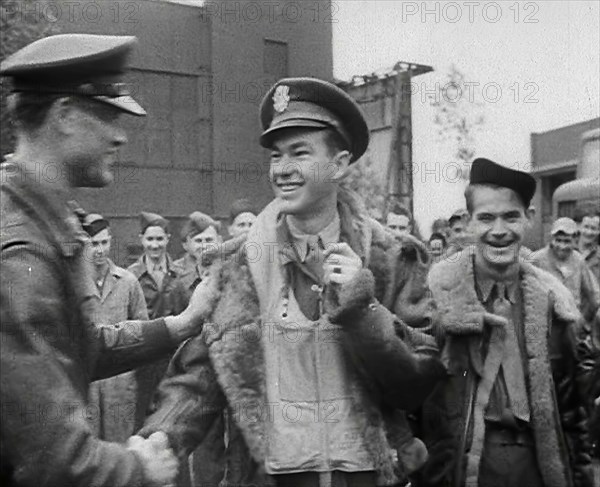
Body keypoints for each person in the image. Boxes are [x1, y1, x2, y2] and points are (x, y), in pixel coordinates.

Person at [140, 77, 446, 487]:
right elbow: (199, 377)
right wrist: (161, 436)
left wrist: (363, 308)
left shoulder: (390, 257)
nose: (281, 170)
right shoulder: (238, 266)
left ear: (339, 164)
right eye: (275, 156)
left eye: (299, 153)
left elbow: (418, 382)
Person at [0, 34, 220, 487]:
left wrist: (181, 323)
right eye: (106, 115)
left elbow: (78, 347)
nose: (119, 135)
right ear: (63, 116)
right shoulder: (22, 249)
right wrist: (139, 467)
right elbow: (53, 458)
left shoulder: (42, 220)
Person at [418, 157, 594, 487]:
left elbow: (572, 415)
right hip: (465, 470)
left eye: (510, 217)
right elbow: (417, 405)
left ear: (528, 219)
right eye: (486, 218)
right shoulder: (436, 300)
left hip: (536, 469)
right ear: (469, 223)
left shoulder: (556, 308)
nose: (499, 231)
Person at [83, 213, 149, 443]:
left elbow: (142, 329)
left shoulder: (128, 282)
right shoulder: (74, 286)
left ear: (111, 241)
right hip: (85, 383)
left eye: (104, 242)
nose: (99, 250)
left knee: (119, 447)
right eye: (93, 244)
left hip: (120, 384)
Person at [128, 212, 184, 431]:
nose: (155, 245)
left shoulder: (180, 274)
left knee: (173, 423)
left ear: (168, 239)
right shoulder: (130, 276)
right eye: (150, 239)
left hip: (174, 359)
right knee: (140, 422)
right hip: (144, 360)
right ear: (141, 239)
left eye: (160, 239)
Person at [531, 217, 600, 325]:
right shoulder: (537, 259)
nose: (562, 246)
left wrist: (584, 322)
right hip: (545, 324)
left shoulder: (578, 260)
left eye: (567, 241)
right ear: (551, 239)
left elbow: (594, 295)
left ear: (574, 241)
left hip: (571, 324)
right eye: (558, 240)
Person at [575, 209, 600, 285]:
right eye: (586, 227)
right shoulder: (567, 251)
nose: (589, 232)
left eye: (593, 228)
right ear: (578, 227)